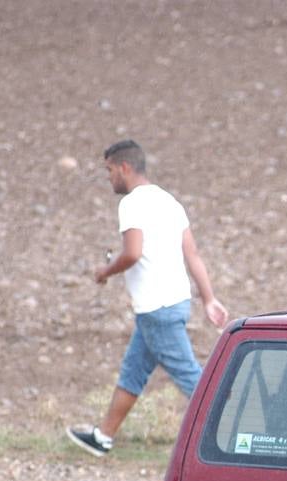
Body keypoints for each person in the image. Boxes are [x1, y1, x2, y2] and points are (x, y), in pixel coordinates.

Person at [67, 140, 228, 457]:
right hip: (175, 302)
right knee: (134, 372)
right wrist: (209, 299)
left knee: (191, 378)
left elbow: (132, 253)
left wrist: (104, 272)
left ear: (124, 167)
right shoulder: (169, 202)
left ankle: (234, 438)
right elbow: (192, 254)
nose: (109, 177)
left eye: (109, 170)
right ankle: (103, 437)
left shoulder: (131, 204)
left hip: (157, 308)